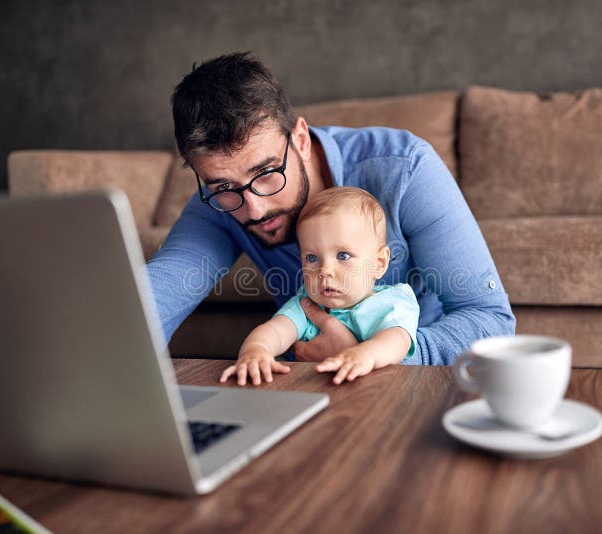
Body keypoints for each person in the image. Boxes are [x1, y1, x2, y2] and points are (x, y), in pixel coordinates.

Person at [146, 52, 515, 366]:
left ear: (301, 139)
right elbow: (156, 297)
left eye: (266, 172)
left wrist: (375, 356)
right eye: (223, 187)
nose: (254, 209)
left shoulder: (405, 168)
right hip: (306, 389)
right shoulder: (220, 200)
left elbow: (489, 318)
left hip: (417, 382)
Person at [219, 187, 420, 386]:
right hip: (315, 390)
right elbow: (276, 331)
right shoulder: (306, 304)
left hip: (376, 393)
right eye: (312, 258)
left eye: (343, 255)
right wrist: (256, 350)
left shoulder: (391, 303)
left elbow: (397, 340)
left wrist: (363, 354)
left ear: (379, 263)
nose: (325, 270)